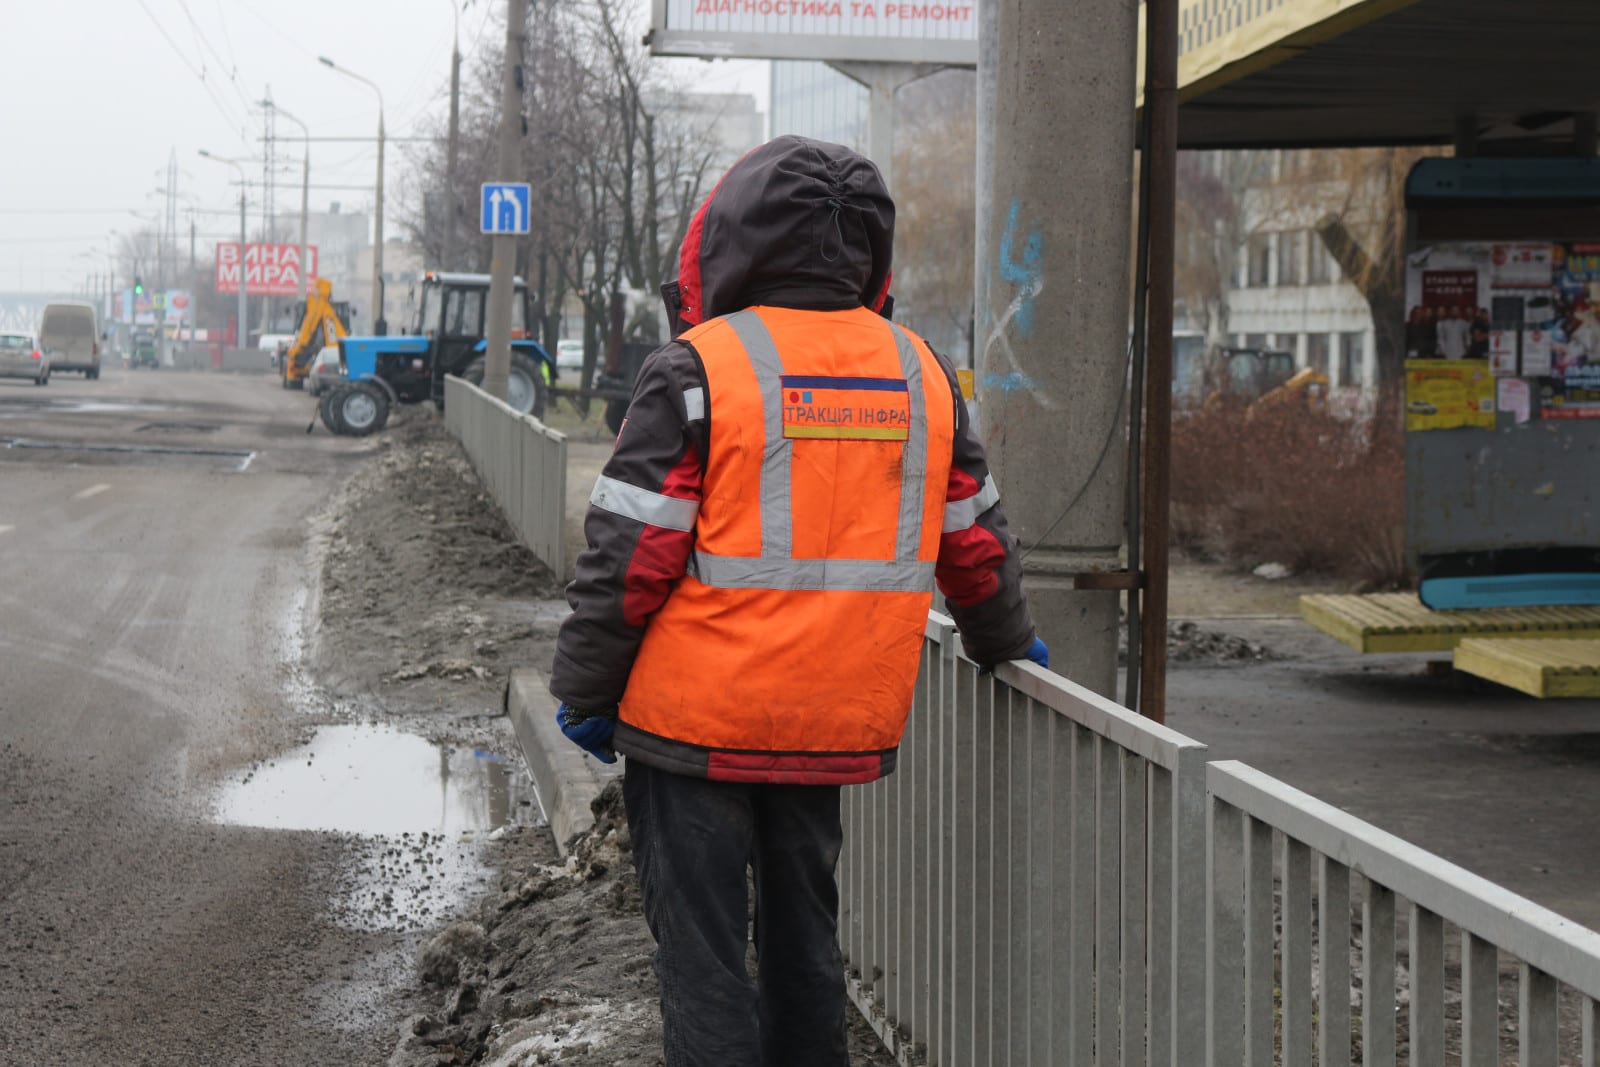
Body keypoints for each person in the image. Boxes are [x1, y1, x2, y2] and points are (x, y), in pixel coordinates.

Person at [548, 135, 1042, 1066]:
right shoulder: (921, 373)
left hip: (693, 729)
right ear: (868, 249)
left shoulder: (699, 368)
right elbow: (973, 538)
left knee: (703, 966)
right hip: (832, 726)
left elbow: (630, 557)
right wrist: (1006, 637)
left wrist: (586, 688)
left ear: (735, 238)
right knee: (806, 949)